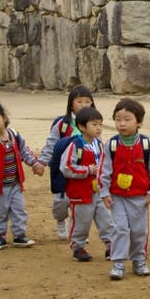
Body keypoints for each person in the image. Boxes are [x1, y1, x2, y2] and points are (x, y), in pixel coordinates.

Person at [98, 98, 150, 280]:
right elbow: (104, 171)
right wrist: (104, 193)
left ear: (139, 122)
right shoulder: (111, 145)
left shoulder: (146, 145)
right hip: (117, 196)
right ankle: (118, 262)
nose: (122, 124)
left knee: (139, 230)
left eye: (127, 119)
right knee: (120, 228)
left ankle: (139, 260)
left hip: (140, 197)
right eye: (118, 119)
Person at [0, 101, 46, 250]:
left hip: (15, 183)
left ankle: (19, 235)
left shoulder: (14, 135)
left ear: (4, 117)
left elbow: (25, 152)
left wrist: (35, 164)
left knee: (19, 209)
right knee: (0, 211)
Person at [42, 86, 95, 240]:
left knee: (81, 202)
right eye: (79, 101)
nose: (84, 105)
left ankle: (79, 232)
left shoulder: (94, 123)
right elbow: (51, 143)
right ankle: (60, 219)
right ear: (71, 104)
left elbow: (97, 145)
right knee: (61, 201)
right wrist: (42, 161)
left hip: (84, 169)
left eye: (87, 101)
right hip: (61, 169)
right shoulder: (62, 123)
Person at [60, 106, 112, 262]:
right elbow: (66, 167)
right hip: (80, 192)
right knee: (81, 221)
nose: (98, 128)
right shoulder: (75, 146)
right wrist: (87, 170)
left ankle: (111, 245)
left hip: (98, 191)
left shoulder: (100, 145)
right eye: (94, 124)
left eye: (100, 124)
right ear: (82, 127)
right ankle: (78, 247)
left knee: (106, 219)